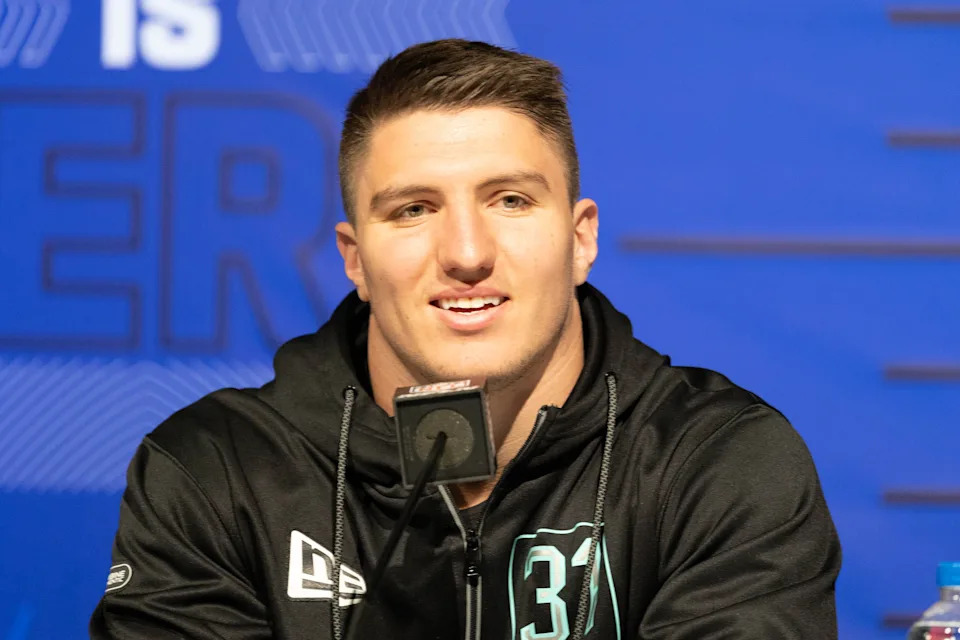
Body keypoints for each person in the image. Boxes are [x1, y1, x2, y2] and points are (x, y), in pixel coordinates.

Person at [90, 39, 841, 639]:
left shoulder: (717, 461)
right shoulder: (218, 471)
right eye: (413, 210)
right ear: (355, 259)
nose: (467, 253)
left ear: (581, 239)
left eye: (510, 200)